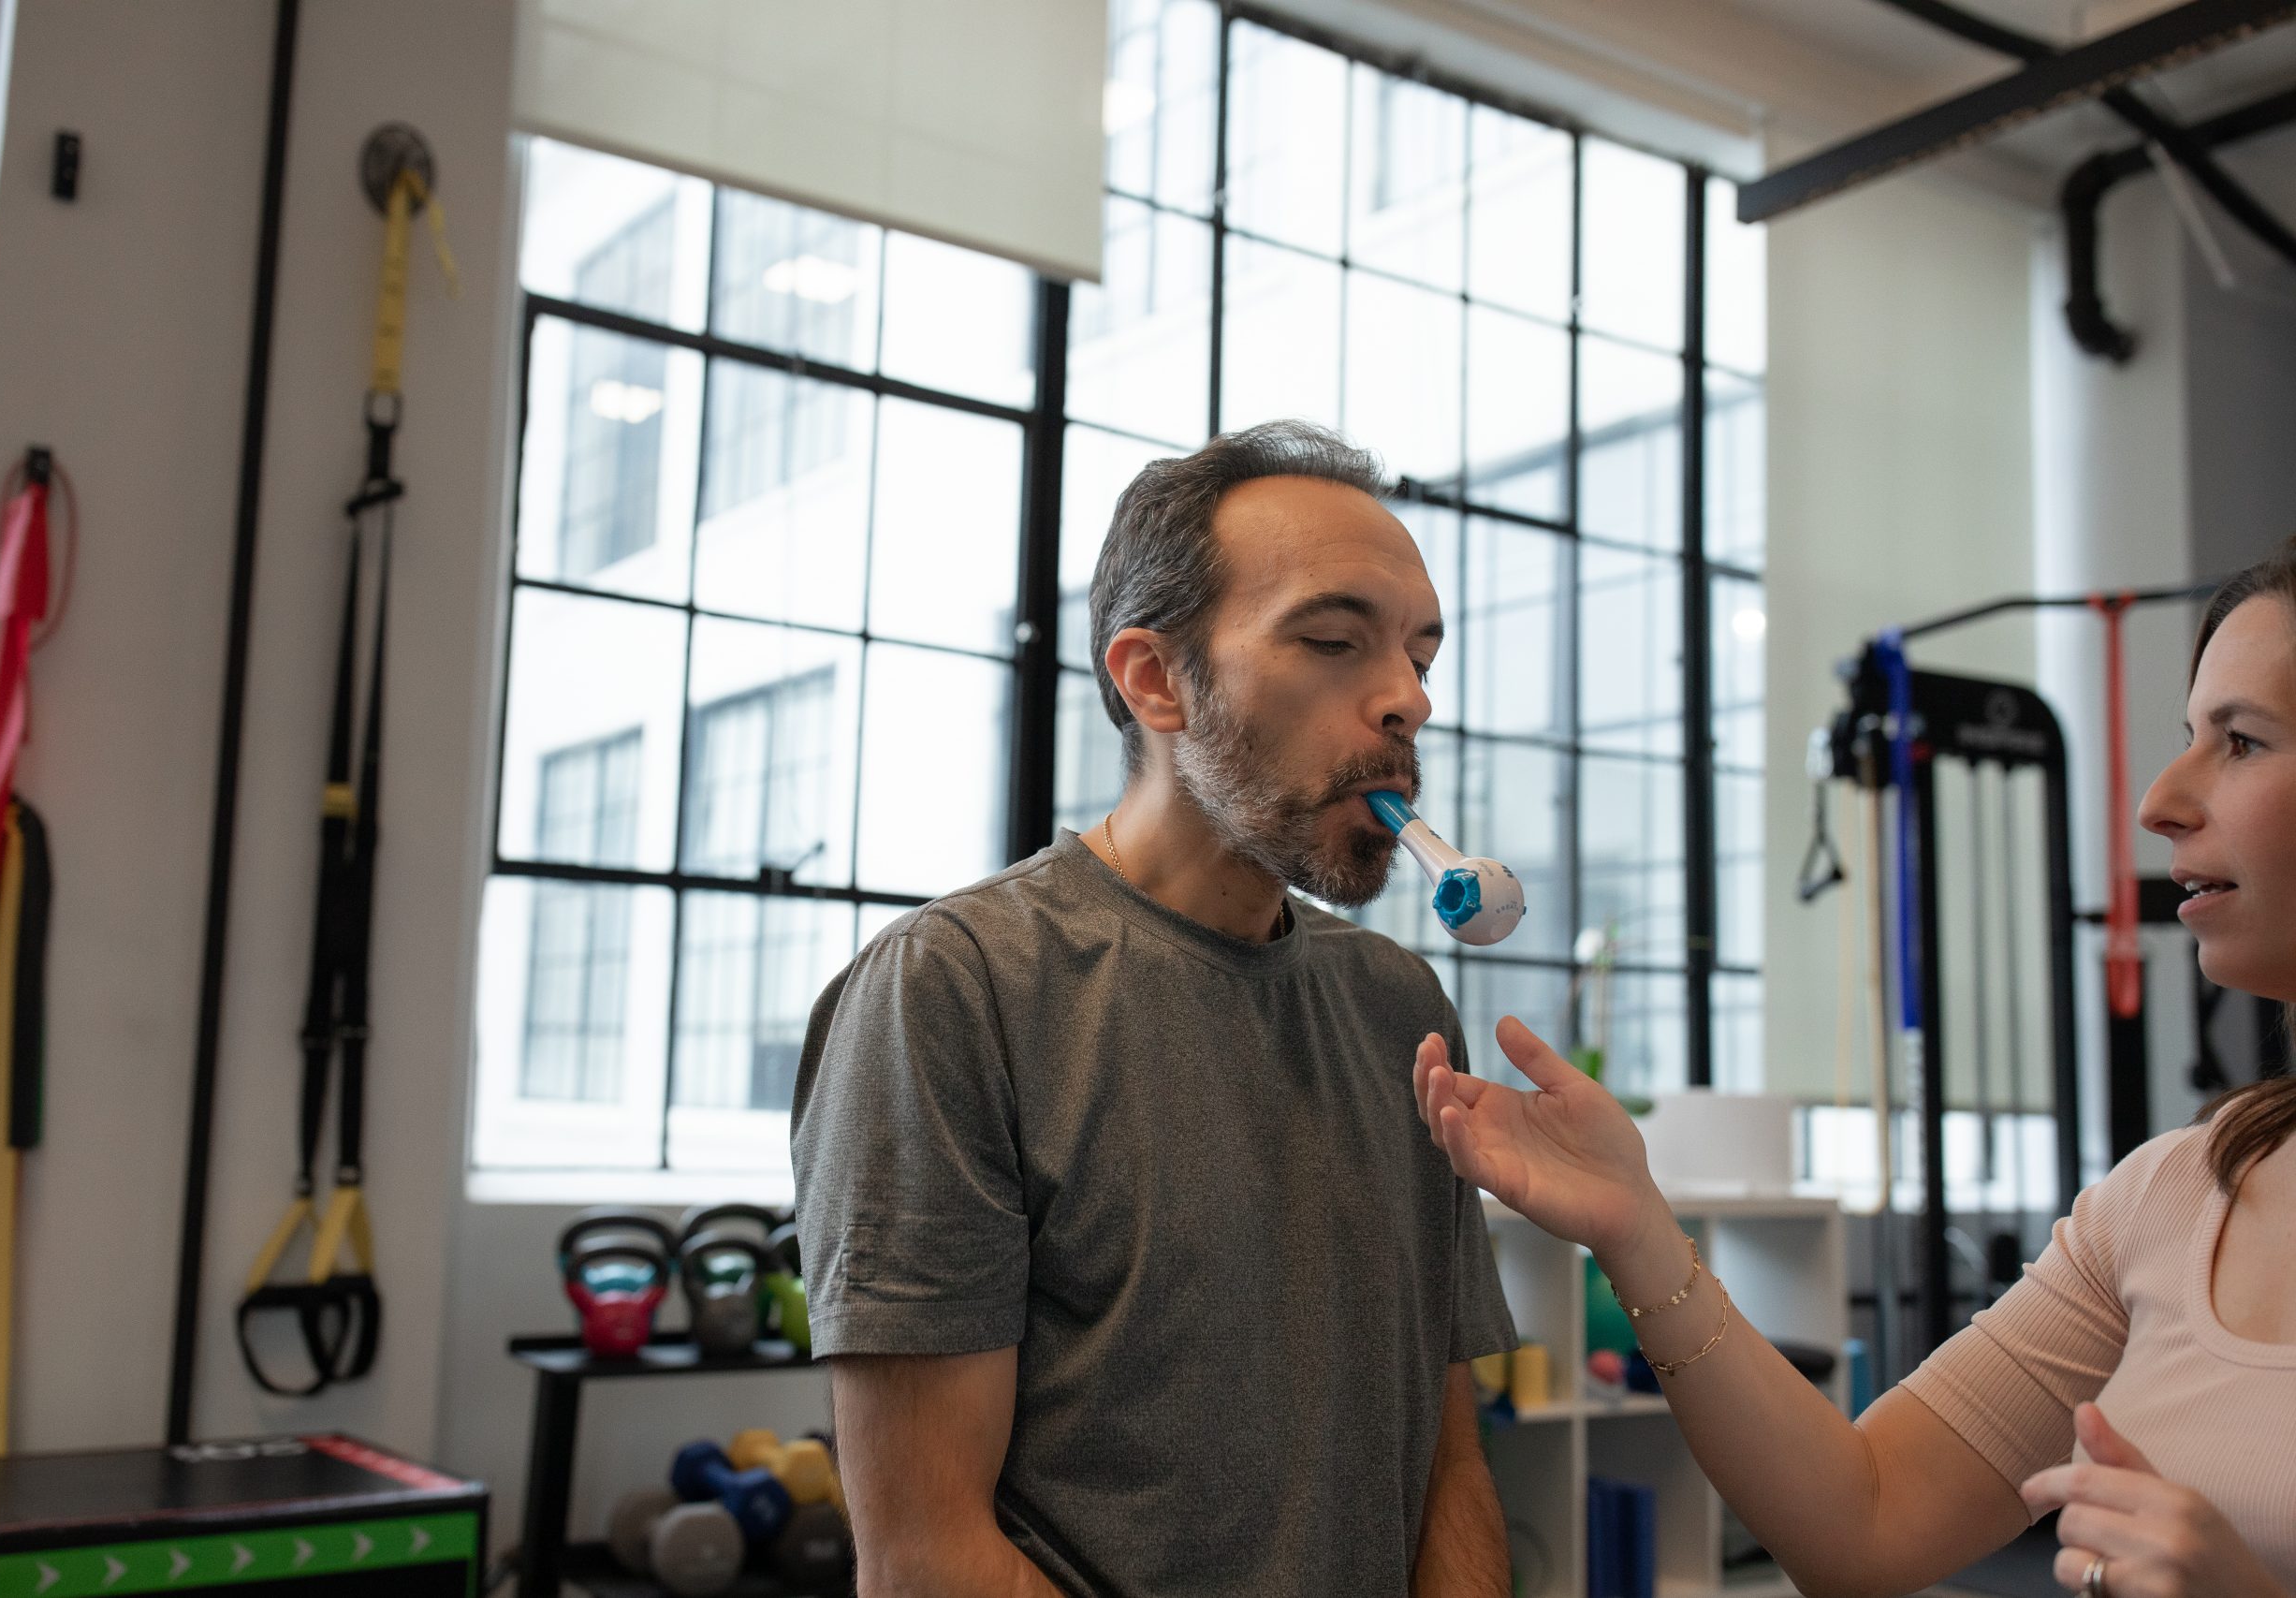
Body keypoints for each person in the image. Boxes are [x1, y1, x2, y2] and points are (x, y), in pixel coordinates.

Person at [1415, 540, 2296, 1598]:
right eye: (2187, 738)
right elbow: (1865, 1519)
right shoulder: (2168, 1199)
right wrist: (1636, 1228)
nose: (2159, 799)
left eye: (2241, 742)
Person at [791, 420, 1515, 1598]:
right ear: (1154, 680)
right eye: (1334, 642)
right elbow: (929, 1560)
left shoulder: (1399, 1005)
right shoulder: (954, 991)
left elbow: (1446, 1461)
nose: (1405, 704)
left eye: (1420, 658)